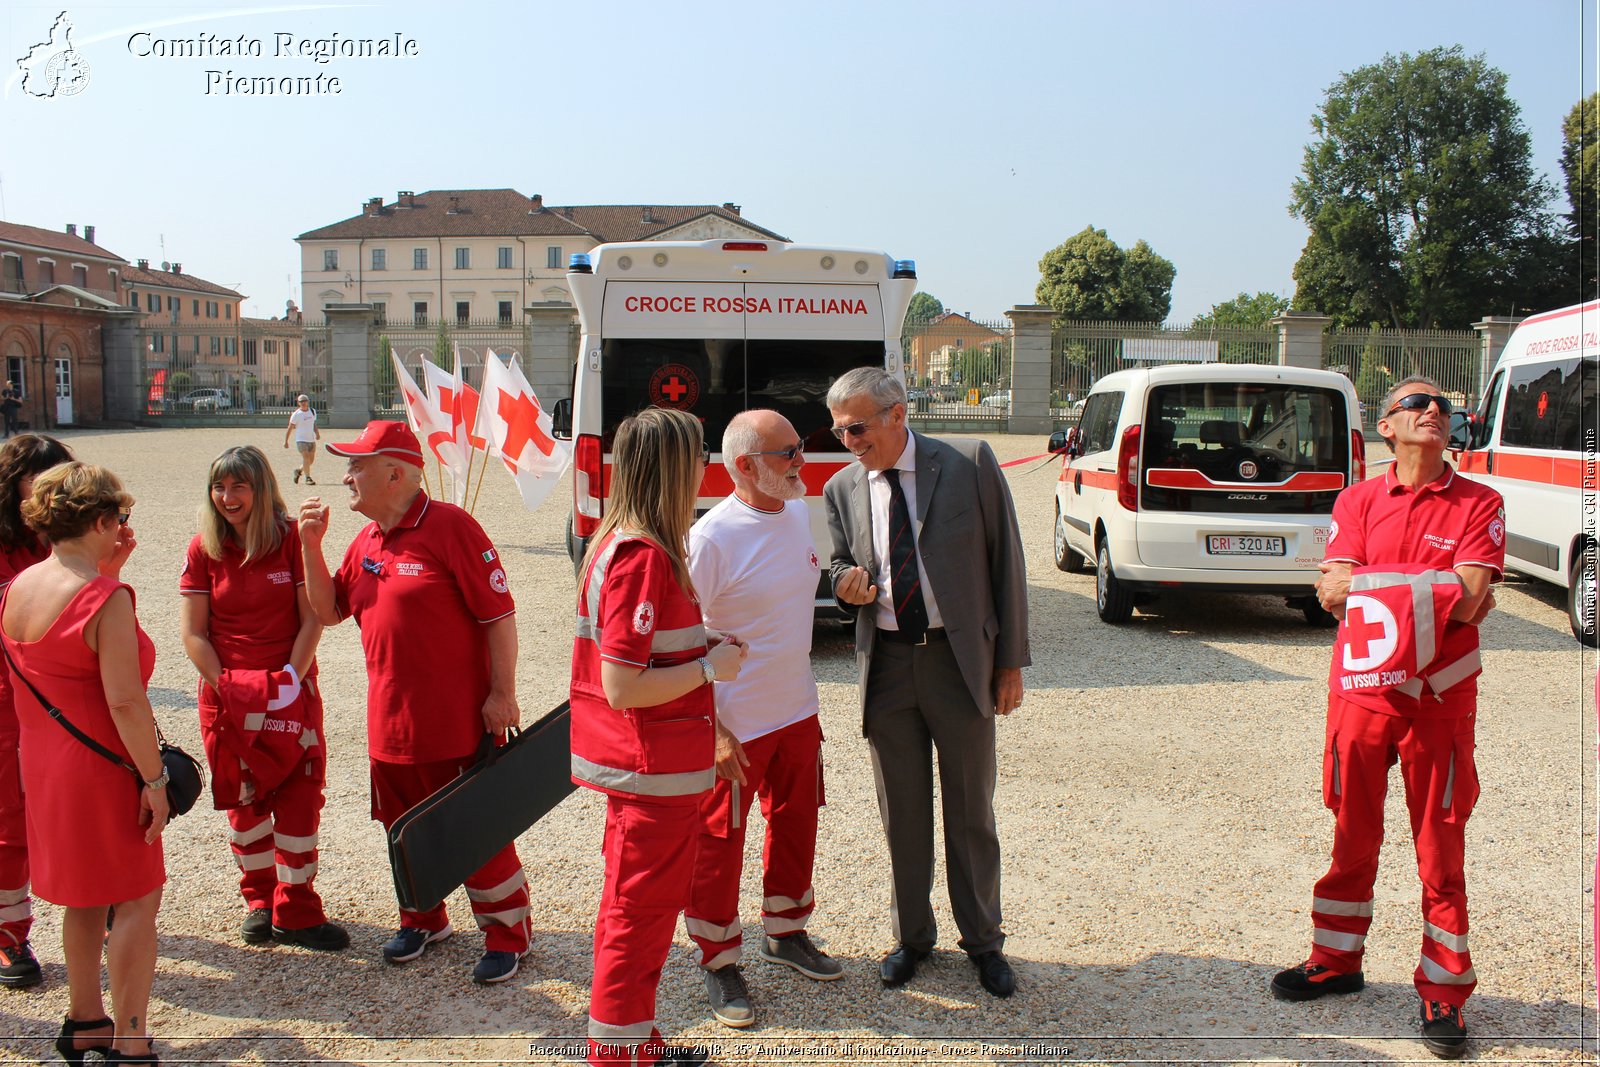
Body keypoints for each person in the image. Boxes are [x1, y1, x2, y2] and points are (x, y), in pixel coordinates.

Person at [1271, 375, 1503, 1060]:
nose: (1435, 411)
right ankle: (1336, 960)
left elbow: (1471, 596)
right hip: (1363, 697)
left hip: (1437, 701)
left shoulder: (1478, 501)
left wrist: (1373, 586)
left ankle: (1444, 989)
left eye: (1444, 406)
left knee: (1441, 848)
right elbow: (1335, 594)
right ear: (1387, 425)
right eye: (1417, 404)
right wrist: (1426, 589)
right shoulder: (1358, 498)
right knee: (1352, 832)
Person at [299, 419, 531, 985]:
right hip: (391, 726)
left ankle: (507, 931)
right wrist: (309, 546)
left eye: (356, 465)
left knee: (475, 829)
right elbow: (328, 611)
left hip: (457, 724)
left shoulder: (452, 528)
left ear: (396, 473)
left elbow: (499, 617)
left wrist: (503, 694)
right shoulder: (368, 538)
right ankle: (422, 917)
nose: (346, 475)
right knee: (402, 830)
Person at [822, 366, 1029, 998]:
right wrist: (843, 584)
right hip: (885, 666)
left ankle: (984, 943)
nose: (848, 441)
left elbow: (1007, 562)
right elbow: (838, 563)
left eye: (857, 427)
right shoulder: (841, 487)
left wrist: (1010, 662)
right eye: (838, 430)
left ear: (898, 414)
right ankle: (912, 937)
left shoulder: (968, 462)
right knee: (902, 813)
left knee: (971, 811)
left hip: (957, 663)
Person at [570, 406, 746, 1067]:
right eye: (697, 456)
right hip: (653, 774)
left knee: (638, 915)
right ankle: (618, 1056)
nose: (704, 469)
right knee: (637, 921)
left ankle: (636, 1041)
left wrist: (701, 644)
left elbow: (642, 652)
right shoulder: (642, 557)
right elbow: (622, 684)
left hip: (654, 772)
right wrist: (709, 666)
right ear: (671, 468)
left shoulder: (621, 543)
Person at [1, 462, 166, 1064]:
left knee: (83, 900)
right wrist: (154, 780)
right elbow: (124, 699)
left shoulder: (19, 585)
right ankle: (130, 1037)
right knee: (137, 900)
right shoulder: (105, 598)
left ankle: (85, 1020)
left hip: (44, 765)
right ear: (101, 520)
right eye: (118, 520)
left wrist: (108, 571)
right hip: (103, 770)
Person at [684, 409, 840, 1030]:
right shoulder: (712, 539)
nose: (801, 461)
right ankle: (719, 959)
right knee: (719, 844)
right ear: (745, 466)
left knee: (798, 823)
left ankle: (787, 930)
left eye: (799, 448)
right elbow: (684, 640)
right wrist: (713, 728)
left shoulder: (798, 512)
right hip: (735, 724)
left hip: (797, 709)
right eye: (787, 453)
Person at [179, 446, 347, 951]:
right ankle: (259, 900)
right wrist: (230, 686)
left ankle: (296, 909)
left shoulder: (291, 537)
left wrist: (289, 681)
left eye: (239, 487)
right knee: (245, 804)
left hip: (289, 690)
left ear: (261, 488)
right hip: (227, 695)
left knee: (299, 798)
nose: (227, 498)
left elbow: (313, 615)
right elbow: (193, 634)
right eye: (219, 487)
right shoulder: (203, 549)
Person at [0, 434, 73, 989]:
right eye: (40, 480)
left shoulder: (69, 535)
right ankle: (10, 935)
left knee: (79, 803)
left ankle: (95, 898)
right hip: (5, 700)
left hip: (63, 699)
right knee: (8, 819)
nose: (52, 491)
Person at [284, 395, 319, 485]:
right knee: (306, 458)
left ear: (308, 401)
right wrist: (286, 441)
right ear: (298, 403)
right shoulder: (296, 414)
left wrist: (317, 433)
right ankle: (308, 478)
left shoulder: (312, 411)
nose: (303, 403)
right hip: (301, 440)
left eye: (304, 401)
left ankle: (298, 471)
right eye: (301, 401)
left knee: (310, 461)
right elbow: (290, 427)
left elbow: (313, 423)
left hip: (311, 439)